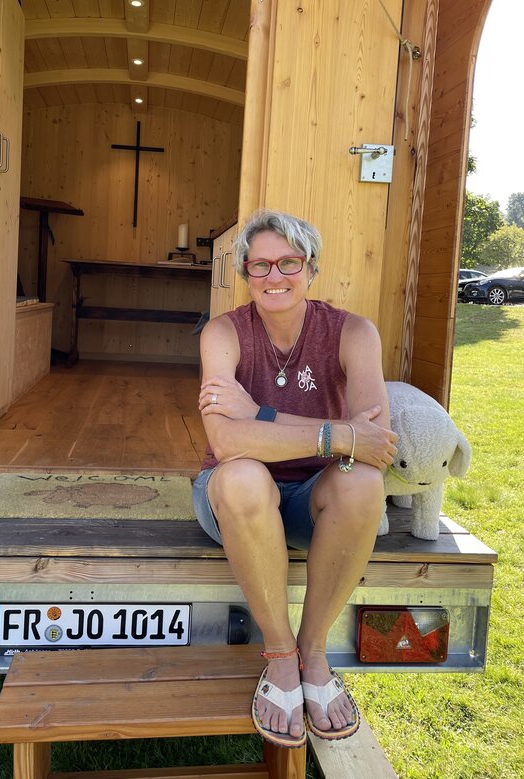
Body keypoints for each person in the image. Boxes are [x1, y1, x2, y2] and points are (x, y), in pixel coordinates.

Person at [192, 209, 398, 747]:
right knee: (242, 476)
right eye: (259, 266)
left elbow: (374, 447)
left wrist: (259, 415)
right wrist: (338, 434)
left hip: (315, 497)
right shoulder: (223, 333)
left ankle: (313, 650)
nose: (274, 276)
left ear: (311, 268)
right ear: (245, 275)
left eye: (288, 262)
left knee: (362, 483)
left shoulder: (354, 332)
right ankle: (282, 657)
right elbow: (226, 443)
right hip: (235, 500)